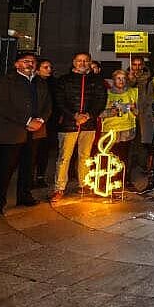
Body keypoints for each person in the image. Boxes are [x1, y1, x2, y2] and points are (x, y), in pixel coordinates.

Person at [0, 53, 52, 216]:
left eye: (33, 62)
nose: (30, 64)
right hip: (12, 132)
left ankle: (24, 196)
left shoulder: (40, 82)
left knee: (28, 166)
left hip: (35, 132)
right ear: (17, 65)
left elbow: (48, 105)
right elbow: (1, 105)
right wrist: (27, 121)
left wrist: (41, 120)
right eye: (26, 61)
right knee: (5, 169)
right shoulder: (7, 81)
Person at [51, 52, 107, 202]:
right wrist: (74, 115)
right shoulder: (64, 80)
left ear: (90, 63)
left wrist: (88, 115)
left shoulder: (97, 81)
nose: (82, 63)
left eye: (85, 61)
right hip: (69, 124)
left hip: (88, 125)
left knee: (85, 156)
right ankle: (59, 188)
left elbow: (101, 101)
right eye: (79, 61)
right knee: (64, 157)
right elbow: (59, 101)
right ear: (74, 62)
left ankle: (84, 184)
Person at [99, 70, 139, 189]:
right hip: (109, 131)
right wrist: (110, 112)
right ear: (113, 80)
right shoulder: (107, 94)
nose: (121, 81)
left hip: (127, 130)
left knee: (124, 158)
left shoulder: (133, 92)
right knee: (108, 157)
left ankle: (123, 180)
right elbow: (99, 112)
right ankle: (106, 181)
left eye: (123, 78)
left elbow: (138, 113)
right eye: (118, 78)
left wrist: (133, 109)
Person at [31, 58, 57, 188]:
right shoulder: (33, 82)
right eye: (45, 67)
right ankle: (30, 177)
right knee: (33, 151)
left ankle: (40, 176)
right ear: (37, 70)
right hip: (36, 121)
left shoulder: (53, 83)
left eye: (50, 67)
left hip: (49, 121)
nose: (49, 70)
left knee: (44, 151)